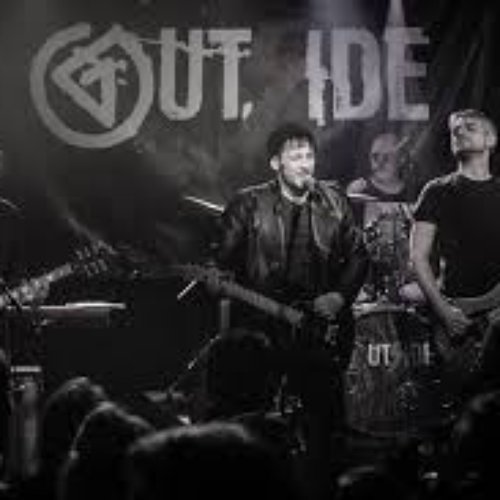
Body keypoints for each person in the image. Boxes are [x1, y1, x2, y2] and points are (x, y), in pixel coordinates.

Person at [212, 122, 368, 499]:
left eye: (309, 156)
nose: (305, 163)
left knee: (325, 423)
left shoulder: (333, 201)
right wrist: (216, 278)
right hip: (264, 327)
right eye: (295, 156)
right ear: (275, 163)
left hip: (320, 330)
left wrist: (338, 297)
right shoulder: (249, 203)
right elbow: (221, 261)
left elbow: (359, 255)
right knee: (257, 420)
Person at [411, 109, 500, 408]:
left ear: (490, 139)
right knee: (458, 405)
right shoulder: (437, 191)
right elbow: (418, 258)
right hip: (458, 314)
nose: (459, 132)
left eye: (470, 127)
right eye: (455, 131)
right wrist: (444, 312)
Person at [347, 132, 418, 302]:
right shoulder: (358, 190)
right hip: (366, 287)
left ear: (401, 159)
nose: (379, 163)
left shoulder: (416, 191)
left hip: (408, 283)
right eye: (375, 156)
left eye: (387, 157)